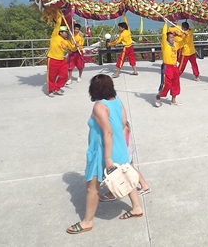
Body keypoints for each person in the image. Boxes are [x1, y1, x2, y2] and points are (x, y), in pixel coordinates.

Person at [66, 74, 142, 234]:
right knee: (126, 177)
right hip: (119, 148)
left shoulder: (99, 107)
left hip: (102, 151)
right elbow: (124, 122)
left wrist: (107, 158)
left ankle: (87, 222)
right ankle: (136, 207)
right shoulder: (117, 100)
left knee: (92, 187)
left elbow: (107, 131)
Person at [99, 120, 151, 202]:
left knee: (115, 173)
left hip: (124, 152)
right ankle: (144, 186)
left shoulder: (123, 127)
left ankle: (112, 193)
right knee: (132, 169)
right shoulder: (124, 125)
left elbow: (123, 143)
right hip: (128, 151)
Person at [155, 21, 181, 107]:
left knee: (175, 83)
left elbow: (183, 41)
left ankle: (173, 100)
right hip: (167, 67)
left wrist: (183, 34)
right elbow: (163, 34)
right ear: (167, 38)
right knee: (166, 84)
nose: (172, 39)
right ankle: (158, 97)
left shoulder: (175, 45)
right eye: (170, 37)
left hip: (174, 67)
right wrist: (165, 23)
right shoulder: (165, 45)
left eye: (173, 37)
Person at [47, 12, 71, 97]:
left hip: (62, 60)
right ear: (60, 32)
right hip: (53, 59)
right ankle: (50, 90)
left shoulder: (66, 41)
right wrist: (60, 15)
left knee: (64, 75)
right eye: (65, 32)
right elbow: (57, 25)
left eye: (67, 32)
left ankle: (57, 88)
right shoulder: (55, 37)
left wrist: (76, 46)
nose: (66, 33)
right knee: (51, 76)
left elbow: (72, 48)